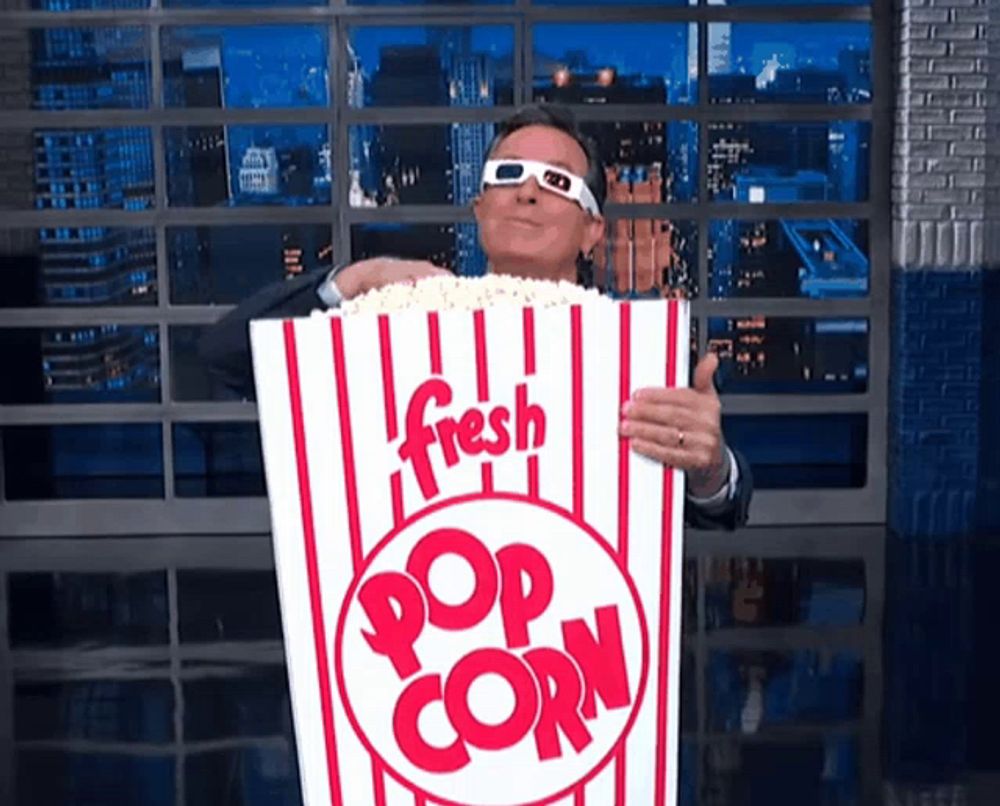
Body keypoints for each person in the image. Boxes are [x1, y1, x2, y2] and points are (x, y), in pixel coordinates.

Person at [200, 104, 752, 529]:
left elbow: (723, 509)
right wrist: (353, 282)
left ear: (593, 231)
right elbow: (227, 357)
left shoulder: (638, 355)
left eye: (558, 182)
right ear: (479, 209)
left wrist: (711, 469)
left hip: (586, 652)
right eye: (509, 175)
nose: (529, 192)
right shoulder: (403, 326)